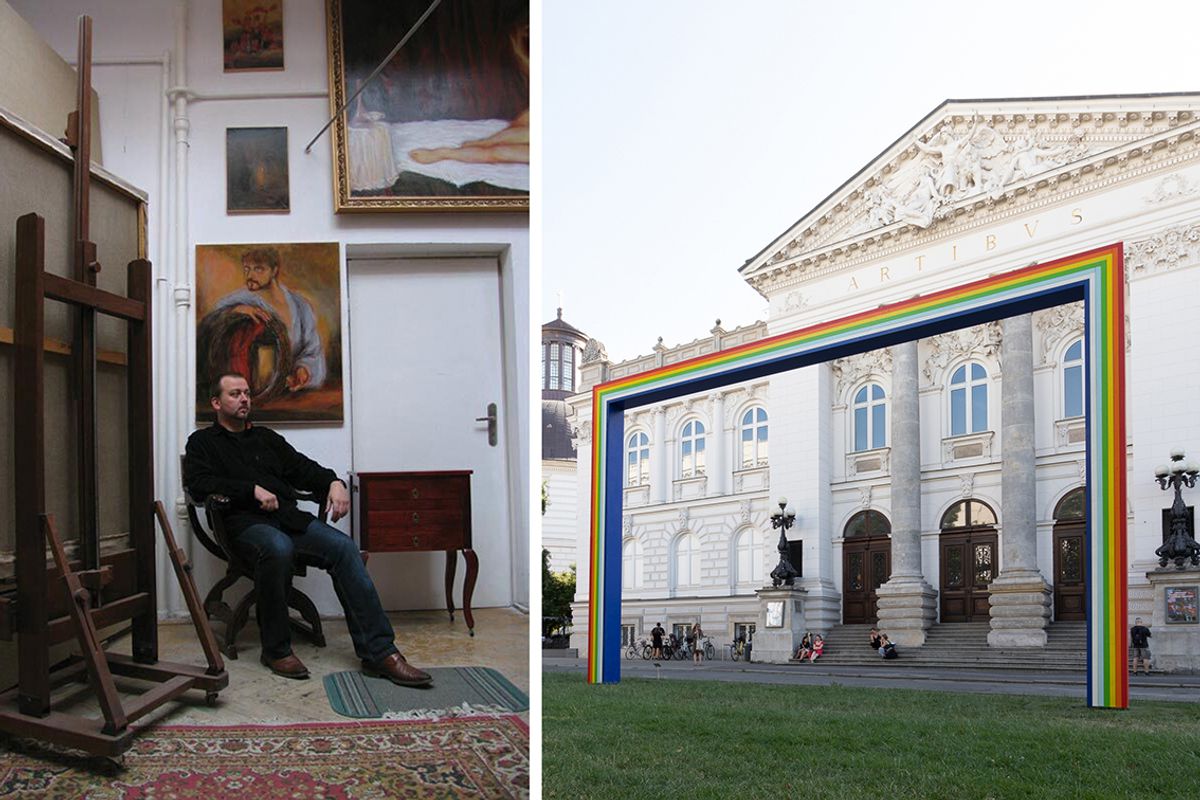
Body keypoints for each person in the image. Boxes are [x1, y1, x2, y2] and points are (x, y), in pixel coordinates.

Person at [184, 372, 431, 687]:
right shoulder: (203, 442)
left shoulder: (267, 438)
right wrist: (251, 490)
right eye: (235, 394)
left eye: (247, 393)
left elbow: (304, 469)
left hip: (288, 520)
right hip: (244, 526)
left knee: (343, 548)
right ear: (216, 402)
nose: (244, 398)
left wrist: (334, 482)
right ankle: (275, 650)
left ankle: (379, 652)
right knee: (277, 547)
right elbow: (199, 483)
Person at [208, 247, 326, 393]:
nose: (250, 275)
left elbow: (312, 349)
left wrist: (304, 370)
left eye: (258, 269)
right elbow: (211, 325)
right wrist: (236, 310)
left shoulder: (301, 306)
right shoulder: (239, 300)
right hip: (250, 391)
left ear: (274, 271)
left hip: (290, 391)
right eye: (246, 269)